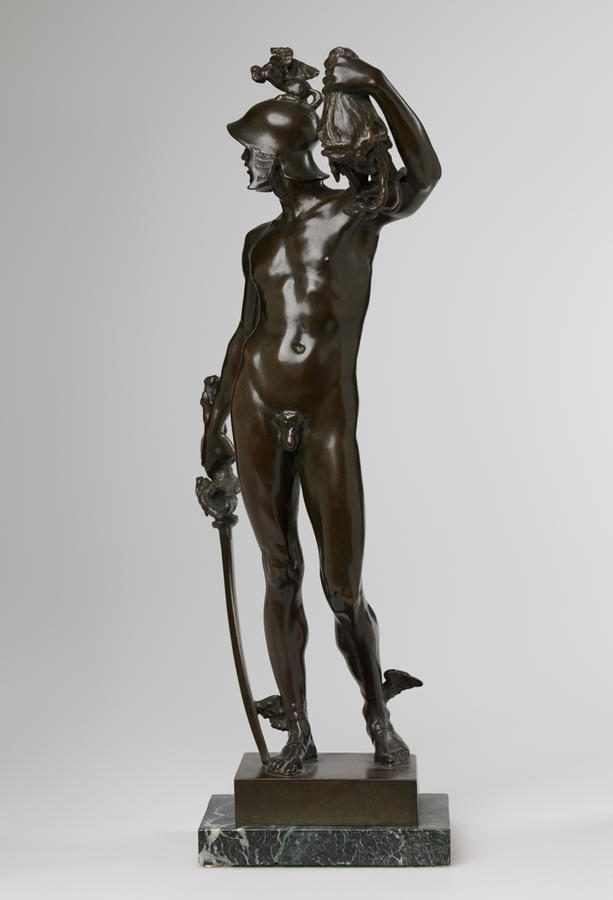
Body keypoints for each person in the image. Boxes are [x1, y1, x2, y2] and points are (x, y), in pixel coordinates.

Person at [202, 53, 441, 775]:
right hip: (254, 408)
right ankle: (297, 730)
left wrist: (377, 86)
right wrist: (212, 426)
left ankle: (377, 712)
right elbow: (245, 334)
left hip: (327, 419)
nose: (244, 161)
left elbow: (423, 177)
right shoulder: (258, 242)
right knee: (279, 572)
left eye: (251, 149)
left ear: (280, 154)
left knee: (343, 589)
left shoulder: (351, 215)